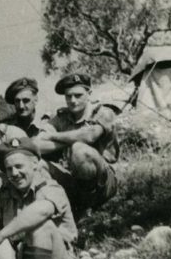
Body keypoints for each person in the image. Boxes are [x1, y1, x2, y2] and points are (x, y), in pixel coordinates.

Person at [34, 73, 119, 214]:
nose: (73, 100)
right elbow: (37, 144)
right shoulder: (61, 117)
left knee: (79, 150)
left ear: (89, 93)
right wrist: (69, 141)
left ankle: (88, 207)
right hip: (73, 178)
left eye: (78, 95)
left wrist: (53, 136)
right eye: (68, 96)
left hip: (103, 180)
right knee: (39, 165)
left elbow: (90, 136)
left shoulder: (103, 112)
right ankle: (58, 207)